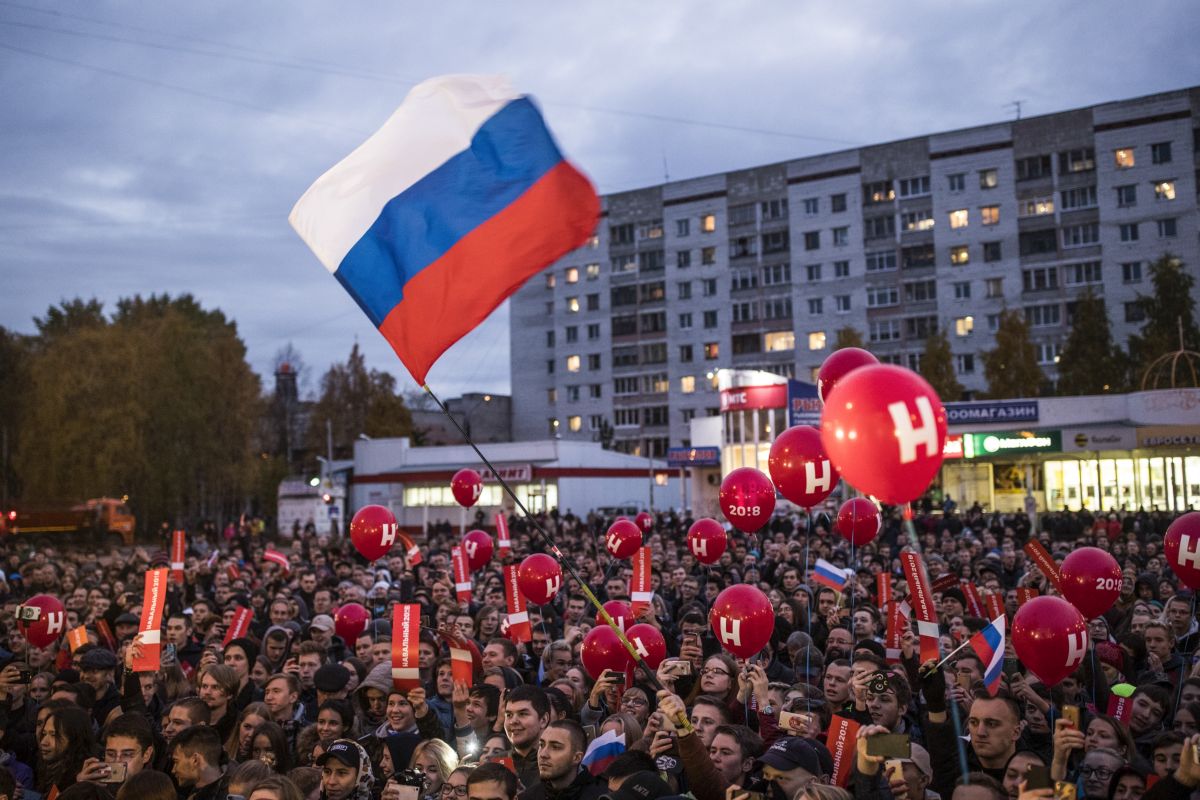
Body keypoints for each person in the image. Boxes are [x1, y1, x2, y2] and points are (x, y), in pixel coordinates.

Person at [518, 720, 602, 800]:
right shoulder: (527, 797)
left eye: (555, 747)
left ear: (577, 758)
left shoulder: (601, 796)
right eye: (541, 745)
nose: (543, 754)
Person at [504, 686, 551, 790]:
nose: (513, 721)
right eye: (509, 715)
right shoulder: (496, 762)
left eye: (523, 714)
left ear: (543, 720)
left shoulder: (556, 765)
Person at [171, 725, 228, 800]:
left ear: (195, 760)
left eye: (176, 761)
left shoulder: (229, 794)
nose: (173, 770)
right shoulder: (194, 792)